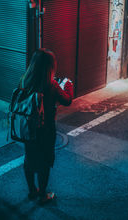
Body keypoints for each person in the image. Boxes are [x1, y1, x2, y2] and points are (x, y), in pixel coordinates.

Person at [19, 48, 73, 205]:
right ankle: (43, 195)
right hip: (45, 130)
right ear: (50, 67)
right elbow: (67, 100)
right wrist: (68, 84)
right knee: (44, 162)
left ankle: (32, 191)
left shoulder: (24, 80)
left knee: (29, 158)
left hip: (27, 128)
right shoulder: (52, 85)